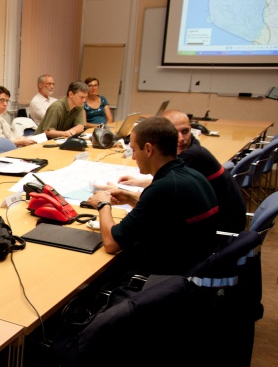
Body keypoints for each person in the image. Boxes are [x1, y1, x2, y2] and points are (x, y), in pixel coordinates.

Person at [86, 116, 219, 276]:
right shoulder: (194, 176)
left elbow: (112, 244)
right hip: (194, 267)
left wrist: (103, 204)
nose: (133, 157)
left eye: (134, 150)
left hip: (162, 279)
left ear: (148, 149)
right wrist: (130, 198)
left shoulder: (162, 188)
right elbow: (164, 214)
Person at [117, 109, 246, 234]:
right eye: (174, 132)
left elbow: (162, 194)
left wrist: (111, 197)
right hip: (217, 225)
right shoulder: (195, 149)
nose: (180, 138)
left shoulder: (191, 156)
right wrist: (138, 183)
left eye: (185, 131)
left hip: (223, 229)